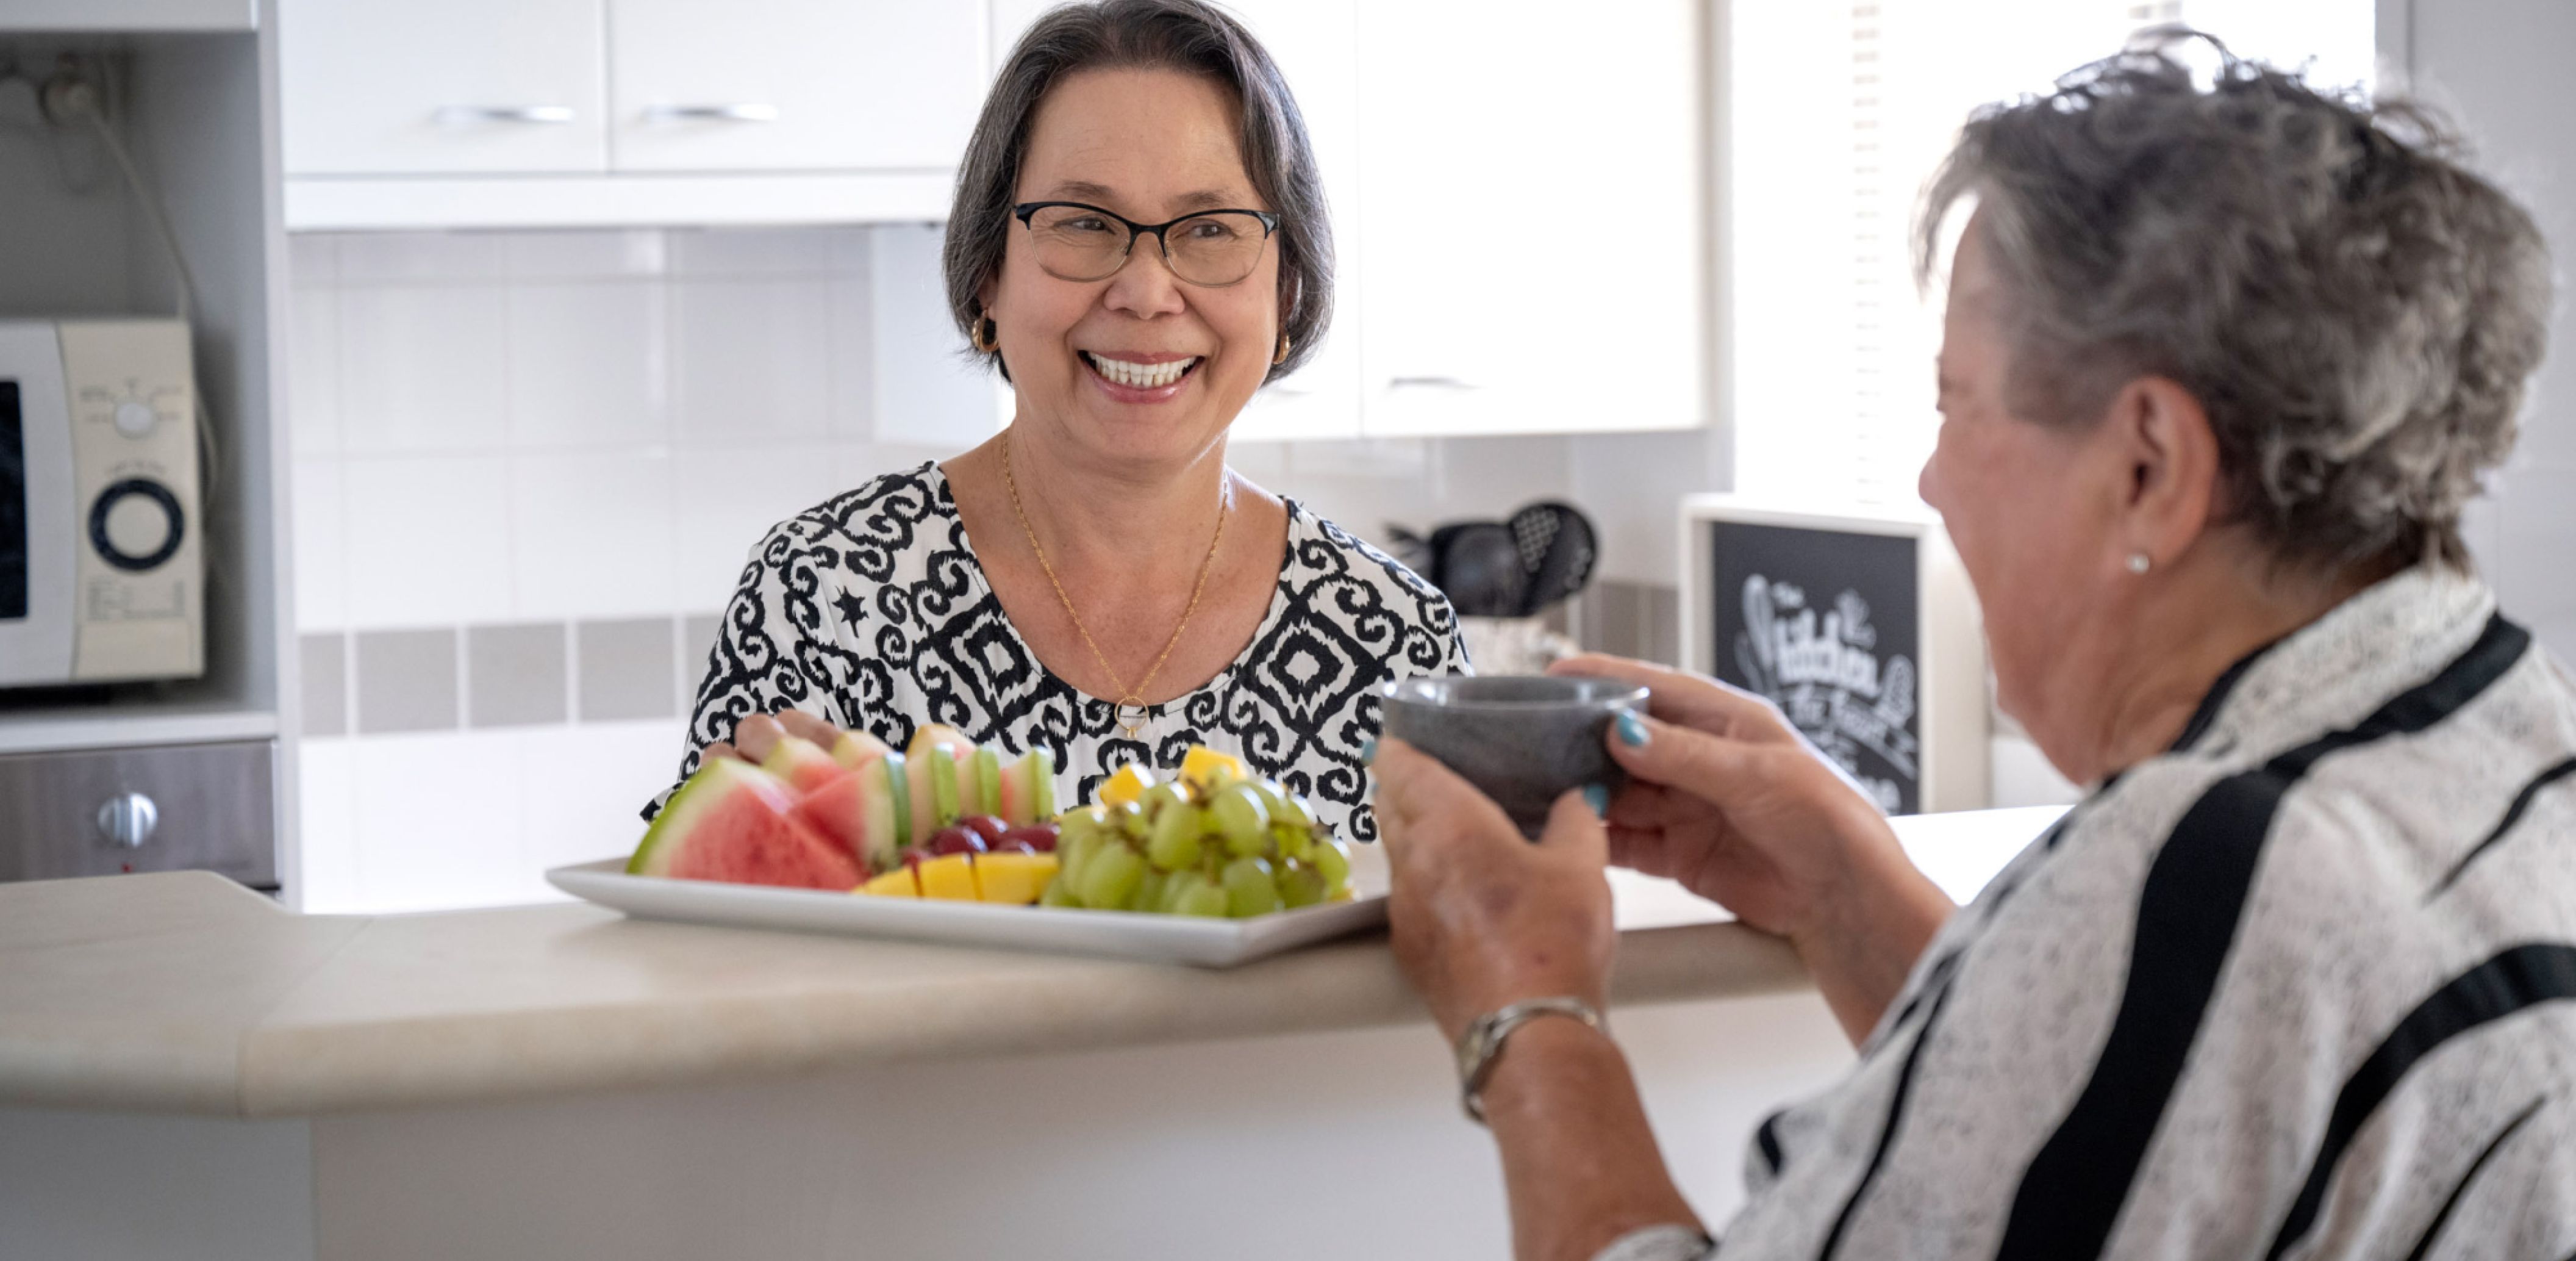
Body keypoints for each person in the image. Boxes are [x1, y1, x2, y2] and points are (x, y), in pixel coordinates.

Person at [1373, 40, 2575, 1261]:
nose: (1932, 479)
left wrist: (1528, 1009)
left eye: (1956, 402)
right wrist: (1846, 893)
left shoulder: (2217, 870)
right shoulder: (2518, 743)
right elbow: (2157, 1129)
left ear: (2148, 467)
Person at [654, 0, 1465, 841]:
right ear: (988, 278)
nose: (1147, 293)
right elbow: (708, 958)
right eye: (1083, 223)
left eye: (1212, 229)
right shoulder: (822, 594)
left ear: (1287, 290)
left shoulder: (1400, 643)